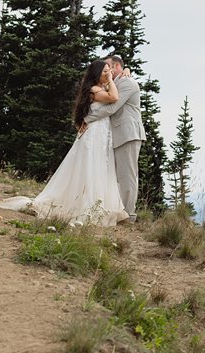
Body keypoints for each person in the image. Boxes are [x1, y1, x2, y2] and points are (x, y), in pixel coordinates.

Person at [14, 59, 130, 226]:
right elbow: (114, 97)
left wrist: (126, 69)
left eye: (109, 70)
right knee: (90, 167)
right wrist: (111, 79)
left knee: (101, 167)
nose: (108, 73)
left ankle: (101, 205)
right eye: (104, 71)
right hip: (94, 134)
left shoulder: (100, 87)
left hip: (103, 134)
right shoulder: (94, 90)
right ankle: (86, 206)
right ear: (96, 74)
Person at [84, 55, 144, 222]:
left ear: (116, 66)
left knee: (128, 175)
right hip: (116, 135)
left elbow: (112, 107)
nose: (107, 70)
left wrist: (86, 119)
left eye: (109, 67)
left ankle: (128, 215)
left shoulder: (126, 82)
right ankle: (119, 211)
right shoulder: (116, 81)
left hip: (128, 134)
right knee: (117, 176)